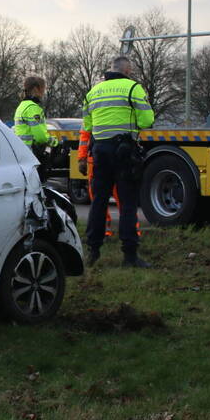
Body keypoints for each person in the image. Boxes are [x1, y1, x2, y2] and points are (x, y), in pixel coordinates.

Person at [79, 56, 155, 268]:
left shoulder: (93, 92)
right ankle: (130, 255)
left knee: (99, 201)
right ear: (128, 71)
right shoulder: (133, 88)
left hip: (100, 152)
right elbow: (147, 120)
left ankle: (93, 251)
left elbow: (88, 124)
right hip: (124, 152)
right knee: (128, 203)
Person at [13, 75, 59, 181]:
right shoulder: (33, 108)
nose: (43, 91)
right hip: (31, 154)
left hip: (22, 152)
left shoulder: (22, 106)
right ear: (35, 89)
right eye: (42, 88)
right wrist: (54, 142)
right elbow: (41, 137)